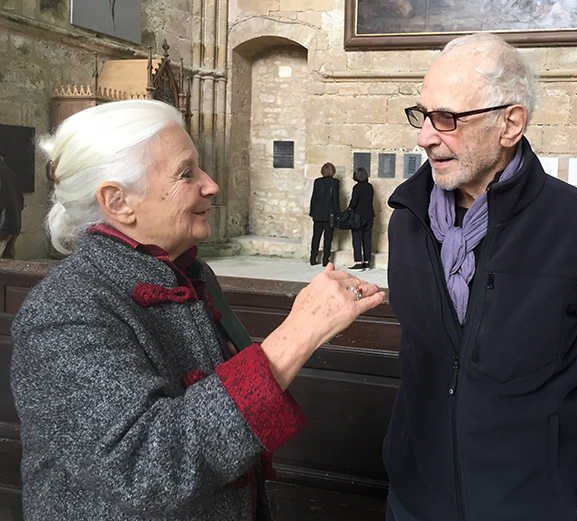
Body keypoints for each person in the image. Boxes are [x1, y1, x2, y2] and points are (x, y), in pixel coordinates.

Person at [10, 99, 384, 521]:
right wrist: (299, 333)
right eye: (186, 173)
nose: (211, 185)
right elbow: (146, 471)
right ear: (118, 202)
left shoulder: (188, 273)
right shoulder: (63, 311)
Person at [384, 33, 577, 521]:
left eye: (446, 118)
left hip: (531, 501)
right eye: (422, 115)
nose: (424, 137)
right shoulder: (407, 217)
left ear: (510, 124)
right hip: (416, 496)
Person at [308, 162, 340, 266]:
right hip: (329, 214)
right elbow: (335, 199)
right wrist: (338, 213)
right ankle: (325, 260)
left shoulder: (317, 181)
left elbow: (314, 197)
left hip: (317, 213)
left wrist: (312, 211)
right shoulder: (335, 182)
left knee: (316, 237)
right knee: (328, 238)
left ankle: (313, 258)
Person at [346, 167, 375, 270]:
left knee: (357, 239)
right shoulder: (370, 186)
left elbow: (354, 203)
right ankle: (367, 262)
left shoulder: (357, 187)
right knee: (367, 239)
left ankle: (358, 262)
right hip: (369, 215)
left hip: (358, 217)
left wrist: (348, 208)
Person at [0, 151, 24, 258]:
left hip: (3, 226)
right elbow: (20, 201)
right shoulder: (12, 174)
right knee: (9, 259)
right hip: (13, 224)